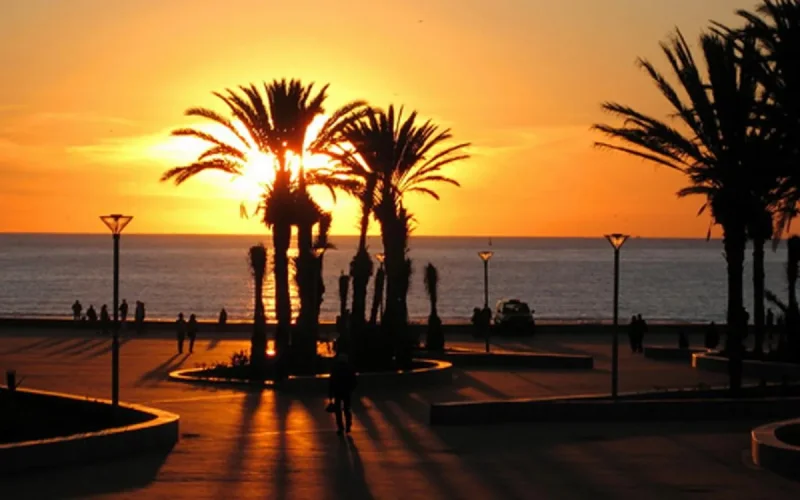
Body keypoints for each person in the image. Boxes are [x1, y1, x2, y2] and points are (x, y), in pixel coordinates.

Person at [328, 353, 358, 435]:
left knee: (338, 411)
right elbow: (354, 381)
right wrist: (352, 389)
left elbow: (331, 382)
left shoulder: (335, 369)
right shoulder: (350, 368)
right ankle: (348, 425)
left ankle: (340, 427)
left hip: (337, 392)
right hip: (347, 392)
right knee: (347, 409)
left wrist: (330, 394)